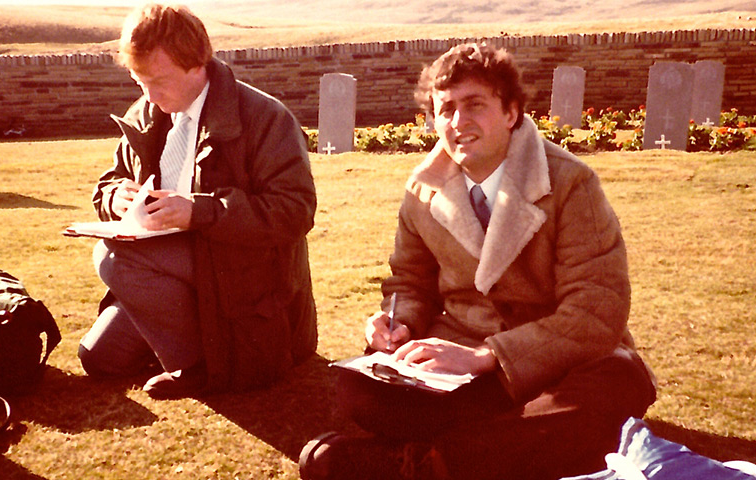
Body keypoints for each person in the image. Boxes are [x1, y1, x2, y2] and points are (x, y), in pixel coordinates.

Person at [299, 43, 656, 480]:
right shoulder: (421, 192)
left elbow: (596, 313)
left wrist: (487, 357)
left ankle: (419, 464)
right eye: (445, 109)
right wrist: (398, 323)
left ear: (511, 113)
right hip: (462, 367)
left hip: (561, 364)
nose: (458, 122)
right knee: (360, 390)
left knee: (620, 383)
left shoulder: (570, 183)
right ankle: (513, 445)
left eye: (474, 105)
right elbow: (410, 282)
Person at [77, 2, 318, 400]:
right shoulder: (147, 112)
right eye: (139, 81)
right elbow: (111, 179)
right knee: (99, 359)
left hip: (239, 276)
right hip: (163, 271)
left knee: (112, 258)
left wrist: (199, 211)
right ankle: (185, 334)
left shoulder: (264, 117)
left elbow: (295, 211)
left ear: (196, 63)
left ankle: (197, 366)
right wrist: (114, 196)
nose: (150, 96)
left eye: (158, 80)